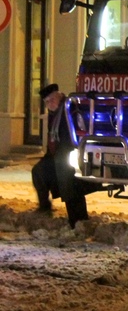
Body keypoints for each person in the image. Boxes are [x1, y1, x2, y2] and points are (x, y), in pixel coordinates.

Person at [31, 83, 89, 228]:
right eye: (46, 102)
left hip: (70, 154)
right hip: (56, 155)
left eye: (50, 100)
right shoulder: (54, 113)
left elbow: (76, 133)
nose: (48, 104)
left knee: (68, 182)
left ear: (58, 96)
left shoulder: (70, 109)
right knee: (38, 171)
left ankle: (78, 219)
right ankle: (45, 207)